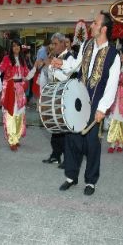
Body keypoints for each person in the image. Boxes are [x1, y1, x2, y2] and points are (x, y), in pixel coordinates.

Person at [51, 11, 121, 196]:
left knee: (92, 144)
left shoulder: (114, 54)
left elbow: (112, 85)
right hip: (78, 99)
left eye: (95, 23)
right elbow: (74, 64)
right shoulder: (86, 45)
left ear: (103, 28)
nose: (91, 25)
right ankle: (71, 177)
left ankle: (91, 181)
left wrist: (102, 108)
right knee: (72, 138)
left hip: (96, 104)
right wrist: (61, 64)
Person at [42, 33, 74, 167]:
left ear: (63, 43)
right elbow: (50, 77)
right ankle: (55, 155)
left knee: (66, 130)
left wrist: (52, 68)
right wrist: (48, 67)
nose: (53, 46)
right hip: (55, 96)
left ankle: (68, 159)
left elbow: (67, 76)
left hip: (65, 98)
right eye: (52, 44)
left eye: (55, 44)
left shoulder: (70, 57)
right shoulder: (55, 57)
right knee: (55, 128)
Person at [0, 39, 37, 151]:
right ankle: (12, 140)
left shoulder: (22, 59)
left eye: (18, 46)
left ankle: (17, 137)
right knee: (11, 114)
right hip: (10, 89)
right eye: (14, 46)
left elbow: (27, 75)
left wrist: (35, 67)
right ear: (11, 47)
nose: (16, 48)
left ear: (20, 47)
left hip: (20, 89)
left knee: (20, 114)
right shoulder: (6, 59)